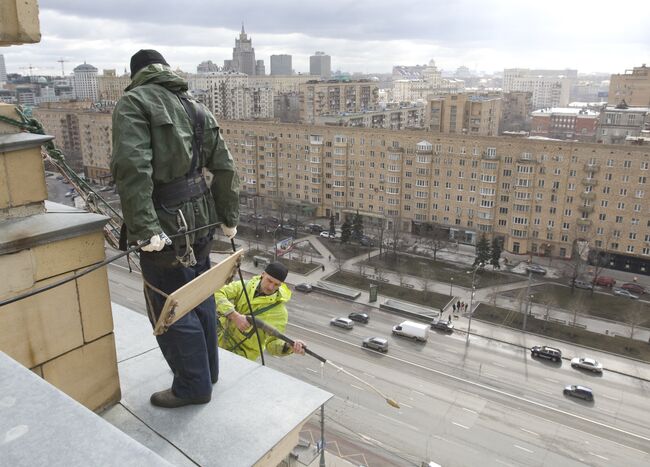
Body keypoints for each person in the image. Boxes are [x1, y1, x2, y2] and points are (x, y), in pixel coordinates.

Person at [111, 50, 240, 409]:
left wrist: (145, 228)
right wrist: (228, 218)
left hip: (165, 226)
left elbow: (132, 168)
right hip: (201, 220)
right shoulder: (194, 106)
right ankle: (207, 372)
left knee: (170, 304)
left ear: (136, 73)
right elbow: (225, 167)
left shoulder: (134, 103)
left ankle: (192, 386)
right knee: (199, 293)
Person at [215, 262, 305, 361]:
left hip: (241, 357)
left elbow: (272, 345)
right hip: (217, 343)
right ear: (263, 274)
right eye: (269, 281)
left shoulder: (279, 312)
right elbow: (217, 293)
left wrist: (288, 346)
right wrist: (234, 316)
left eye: (276, 284)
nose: (271, 287)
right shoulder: (244, 286)